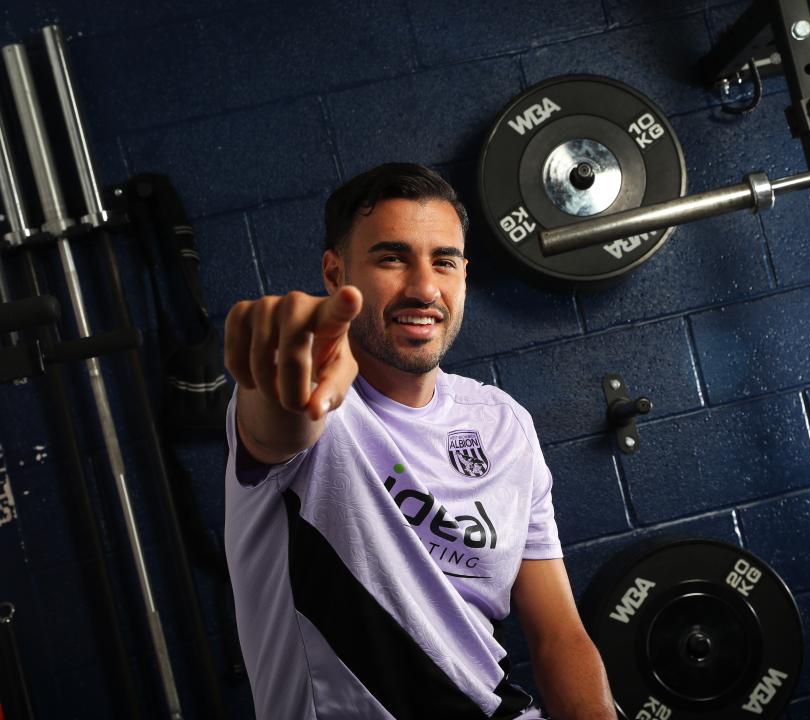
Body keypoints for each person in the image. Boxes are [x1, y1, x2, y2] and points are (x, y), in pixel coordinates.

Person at [223, 163, 616, 720]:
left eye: (444, 261)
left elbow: (559, 636)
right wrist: (288, 373)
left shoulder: (503, 423)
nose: (424, 287)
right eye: (392, 257)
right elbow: (282, 420)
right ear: (335, 275)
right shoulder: (317, 407)